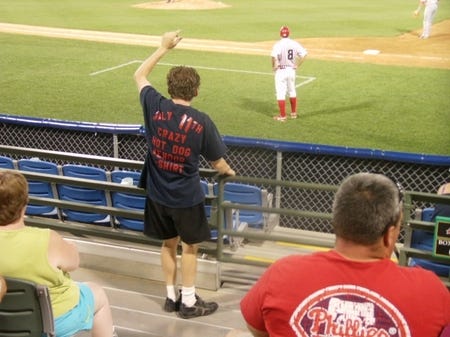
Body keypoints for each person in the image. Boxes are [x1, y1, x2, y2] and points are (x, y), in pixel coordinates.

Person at [239, 172, 450, 337]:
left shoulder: (282, 274)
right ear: (390, 234)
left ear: (336, 223)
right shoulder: (430, 290)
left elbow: (257, 327)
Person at [133, 30, 235, 319]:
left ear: (169, 87)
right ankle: (188, 301)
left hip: (156, 193)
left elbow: (139, 75)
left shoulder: (154, 105)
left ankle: (169, 296)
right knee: (190, 246)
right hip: (186, 197)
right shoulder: (202, 122)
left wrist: (162, 47)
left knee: (168, 243)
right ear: (196, 91)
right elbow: (218, 164)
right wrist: (230, 171)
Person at [0, 170, 116, 337]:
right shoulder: (47, 239)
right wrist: (71, 246)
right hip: (53, 322)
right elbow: (73, 263)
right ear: (24, 205)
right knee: (97, 293)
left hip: (5, 322)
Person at [271, 26, 308, 121]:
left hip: (281, 71)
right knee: (292, 91)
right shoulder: (294, 43)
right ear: (289, 33)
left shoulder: (278, 44)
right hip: (291, 70)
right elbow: (304, 54)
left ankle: (282, 116)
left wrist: (273, 66)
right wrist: (297, 65)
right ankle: (293, 113)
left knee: (280, 93)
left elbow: (274, 57)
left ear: (280, 34)